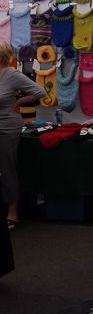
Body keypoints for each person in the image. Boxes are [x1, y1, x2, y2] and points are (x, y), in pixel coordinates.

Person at [0, 42, 45, 231]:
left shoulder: (12, 75)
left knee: (6, 169)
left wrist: (19, 101)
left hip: (7, 128)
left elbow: (40, 92)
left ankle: (13, 212)